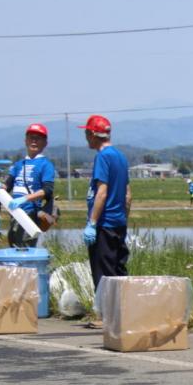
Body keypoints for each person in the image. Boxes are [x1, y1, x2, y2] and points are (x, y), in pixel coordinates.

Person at [79, 115, 131, 292]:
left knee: (104, 278)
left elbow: (102, 192)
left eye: (87, 134)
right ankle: (122, 307)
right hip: (118, 224)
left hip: (104, 225)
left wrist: (92, 223)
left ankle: (106, 309)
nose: (86, 138)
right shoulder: (121, 157)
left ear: (93, 134)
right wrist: (123, 219)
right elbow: (128, 195)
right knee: (118, 273)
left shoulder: (103, 157)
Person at [5, 123, 56, 247]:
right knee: (13, 244)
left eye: (38, 138)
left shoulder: (46, 164)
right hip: (15, 213)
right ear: (25, 140)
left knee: (25, 249)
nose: (34, 141)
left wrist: (25, 198)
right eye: (31, 137)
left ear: (45, 143)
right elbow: (7, 185)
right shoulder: (18, 164)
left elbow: (47, 190)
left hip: (31, 214)